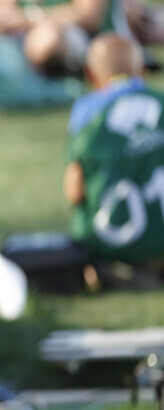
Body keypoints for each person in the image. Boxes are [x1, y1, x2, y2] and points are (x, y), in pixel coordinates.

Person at [63, 32, 164, 284]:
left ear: (90, 74)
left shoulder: (88, 112)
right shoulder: (159, 101)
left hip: (116, 247)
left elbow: (74, 190)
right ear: (141, 70)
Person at [0, 0, 163, 77]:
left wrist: (25, 20)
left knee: (47, 40)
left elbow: (88, 16)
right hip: (22, 37)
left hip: (91, 39)